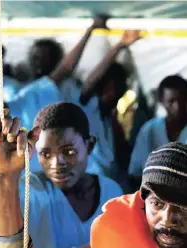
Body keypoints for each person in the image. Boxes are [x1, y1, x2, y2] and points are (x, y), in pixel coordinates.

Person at [0, 103, 123, 248]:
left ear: (89, 145)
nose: (56, 164)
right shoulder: (31, 189)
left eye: (69, 151)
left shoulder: (111, 191)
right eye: (45, 154)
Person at [91, 142, 187, 248]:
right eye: (157, 204)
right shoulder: (114, 231)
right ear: (144, 202)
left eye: (183, 208)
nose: (167, 220)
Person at [77, 29, 141, 188]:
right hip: (88, 187)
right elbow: (90, 83)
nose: (121, 93)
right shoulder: (87, 108)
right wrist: (120, 45)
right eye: (117, 87)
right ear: (103, 87)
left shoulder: (109, 119)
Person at [128, 75, 187, 188]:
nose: (178, 106)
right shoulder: (149, 130)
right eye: (171, 102)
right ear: (162, 101)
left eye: (183, 100)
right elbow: (135, 173)